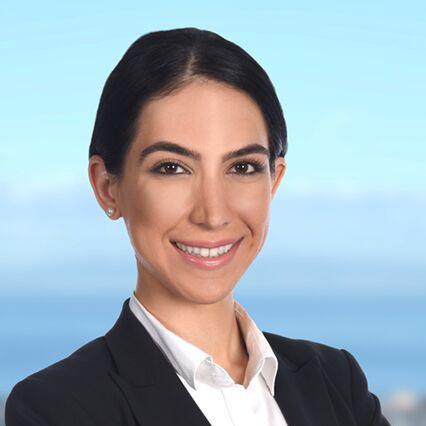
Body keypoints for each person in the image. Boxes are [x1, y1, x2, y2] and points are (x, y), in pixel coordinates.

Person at [5, 27, 391, 426]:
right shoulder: (57, 409)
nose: (212, 213)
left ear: (273, 182)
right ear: (107, 187)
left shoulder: (335, 381)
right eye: (172, 168)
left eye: (243, 167)